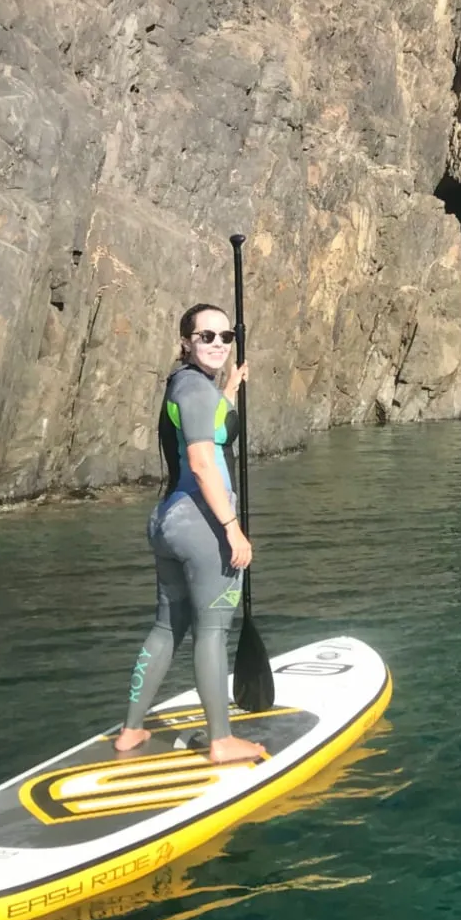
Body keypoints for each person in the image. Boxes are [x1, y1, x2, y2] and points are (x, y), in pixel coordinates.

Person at [114, 304, 267, 764]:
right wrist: (232, 529)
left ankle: (131, 730)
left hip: (168, 521)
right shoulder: (198, 391)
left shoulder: (185, 383)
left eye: (225, 336)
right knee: (212, 632)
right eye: (206, 336)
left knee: (167, 627)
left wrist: (230, 390)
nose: (218, 343)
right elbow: (202, 463)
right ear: (186, 341)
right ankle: (221, 741)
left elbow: (208, 431)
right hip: (203, 525)